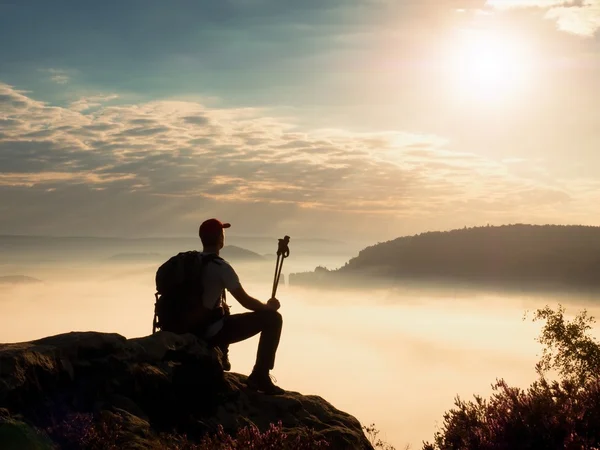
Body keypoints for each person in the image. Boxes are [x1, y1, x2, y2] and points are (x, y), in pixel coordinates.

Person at [194, 218, 285, 395]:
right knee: (273, 319)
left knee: (224, 312)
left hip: (190, 328)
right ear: (221, 238)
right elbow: (245, 301)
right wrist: (268, 308)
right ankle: (260, 375)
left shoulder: (192, 262)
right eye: (223, 233)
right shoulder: (221, 267)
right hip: (210, 332)